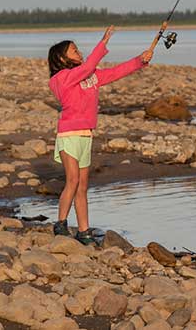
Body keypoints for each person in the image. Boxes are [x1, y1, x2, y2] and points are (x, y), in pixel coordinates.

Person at [48, 26, 153, 244]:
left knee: (83, 185)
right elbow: (86, 68)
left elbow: (115, 73)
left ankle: (84, 230)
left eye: (78, 49)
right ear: (61, 58)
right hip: (69, 134)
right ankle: (60, 223)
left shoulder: (90, 76)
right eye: (74, 50)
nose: (79, 52)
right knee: (73, 180)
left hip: (86, 135)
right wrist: (103, 42)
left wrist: (140, 60)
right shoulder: (61, 78)